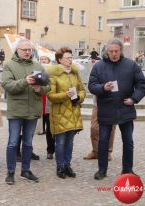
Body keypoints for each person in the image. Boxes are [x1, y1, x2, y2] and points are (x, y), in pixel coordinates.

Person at [88, 39, 145, 180]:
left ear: (121, 51)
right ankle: (102, 170)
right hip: (106, 109)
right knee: (103, 141)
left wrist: (134, 99)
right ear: (106, 52)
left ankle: (127, 170)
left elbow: (142, 85)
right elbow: (91, 86)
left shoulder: (131, 65)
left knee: (128, 141)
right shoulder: (99, 66)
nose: (114, 54)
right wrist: (102, 88)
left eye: (116, 51)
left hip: (125, 108)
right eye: (111, 51)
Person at [2, 39, 50, 185]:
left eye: (30, 50)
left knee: (28, 143)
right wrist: (25, 81)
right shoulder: (9, 65)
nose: (28, 52)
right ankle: (10, 172)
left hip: (32, 111)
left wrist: (39, 89)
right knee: (13, 143)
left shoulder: (37, 65)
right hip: (16, 111)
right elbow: (8, 85)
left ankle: (26, 170)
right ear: (17, 50)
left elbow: (48, 86)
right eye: (25, 49)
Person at [46, 47, 86, 179]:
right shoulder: (53, 75)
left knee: (70, 142)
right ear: (59, 60)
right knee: (61, 142)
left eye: (71, 57)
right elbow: (51, 96)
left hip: (73, 112)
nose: (70, 60)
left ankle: (67, 165)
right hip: (59, 114)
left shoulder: (75, 73)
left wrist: (79, 97)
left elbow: (82, 90)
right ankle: (60, 167)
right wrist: (66, 95)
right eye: (67, 58)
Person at [83, 95, 116, 161]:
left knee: (111, 129)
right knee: (94, 128)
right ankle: (96, 151)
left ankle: (108, 152)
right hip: (97, 104)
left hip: (112, 104)